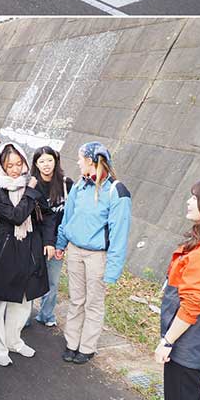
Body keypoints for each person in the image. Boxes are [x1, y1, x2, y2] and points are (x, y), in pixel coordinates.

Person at [55, 142, 132, 363]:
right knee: (76, 300)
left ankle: (87, 347)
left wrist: (112, 271)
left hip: (97, 256)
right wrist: (61, 244)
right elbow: (67, 217)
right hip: (75, 251)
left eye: (81, 159)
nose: (78, 162)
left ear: (90, 161)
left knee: (93, 303)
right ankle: (72, 343)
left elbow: (119, 234)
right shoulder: (80, 185)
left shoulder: (116, 191)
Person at [0, 143, 48, 367]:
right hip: (6, 248)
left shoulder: (30, 183)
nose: (14, 169)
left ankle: (14, 340)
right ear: (1, 166)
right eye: (9, 165)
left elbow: (45, 214)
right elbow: (15, 216)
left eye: (18, 164)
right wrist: (30, 192)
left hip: (29, 247)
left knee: (23, 299)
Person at [156, 179, 200, 400]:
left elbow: (192, 306)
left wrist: (167, 341)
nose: (188, 202)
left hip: (187, 344)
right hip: (187, 342)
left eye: (195, 198)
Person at [30, 147, 71, 328]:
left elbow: (72, 214)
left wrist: (62, 242)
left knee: (52, 281)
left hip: (57, 239)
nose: (46, 165)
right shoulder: (32, 184)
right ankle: (24, 318)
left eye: (49, 160)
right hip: (35, 240)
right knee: (31, 278)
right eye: (41, 161)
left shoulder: (66, 184)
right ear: (36, 164)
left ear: (56, 161)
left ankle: (46, 314)